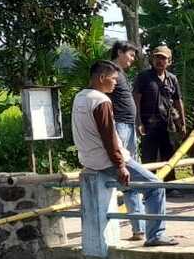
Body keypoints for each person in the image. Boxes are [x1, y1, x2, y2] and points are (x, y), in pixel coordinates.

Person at [73, 61, 178, 247]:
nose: (115, 83)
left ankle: (140, 228)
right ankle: (156, 235)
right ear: (101, 78)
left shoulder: (80, 97)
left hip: (90, 159)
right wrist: (120, 165)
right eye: (113, 79)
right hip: (108, 160)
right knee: (155, 186)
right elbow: (109, 136)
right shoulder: (101, 101)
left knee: (133, 187)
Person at [107, 40, 144, 241]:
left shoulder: (120, 74)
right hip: (120, 126)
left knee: (132, 173)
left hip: (128, 126)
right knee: (126, 172)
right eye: (130, 55)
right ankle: (138, 227)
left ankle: (139, 228)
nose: (131, 60)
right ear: (120, 52)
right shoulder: (110, 72)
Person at [134, 45, 186, 172]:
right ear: (152, 59)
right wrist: (138, 122)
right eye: (157, 57)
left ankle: (170, 189)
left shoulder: (172, 79)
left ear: (169, 61)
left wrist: (182, 123)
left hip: (168, 125)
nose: (160, 61)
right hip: (149, 124)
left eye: (163, 58)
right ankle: (150, 188)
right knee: (149, 158)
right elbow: (136, 100)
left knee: (168, 157)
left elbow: (178, 101)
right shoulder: (143, 77)